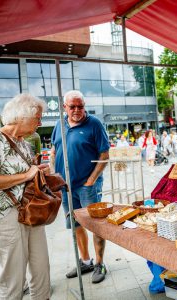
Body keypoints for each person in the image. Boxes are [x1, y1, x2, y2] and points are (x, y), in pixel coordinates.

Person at [0, 93, 51, 299]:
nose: (40, 122)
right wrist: (26, 175)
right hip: (6, 216)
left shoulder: (24, 143)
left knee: (41, 270)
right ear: (22, 116)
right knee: (13, 280)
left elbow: (26, 174)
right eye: (37, 117)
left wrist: (38, 171)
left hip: (30, 211)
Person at [51, 90, 110, 284]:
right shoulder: (59, 124)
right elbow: (54, 150)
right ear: (64, 107)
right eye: (72, 106)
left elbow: (104, 155)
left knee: (96, 226)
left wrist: (91, 180)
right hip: (65, 186)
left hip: (87, 187)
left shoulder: (94, 124)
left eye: (80, 106)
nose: (77, 110)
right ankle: (85, 261)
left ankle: (100, 263)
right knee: (75, 225)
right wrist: (54, 176)